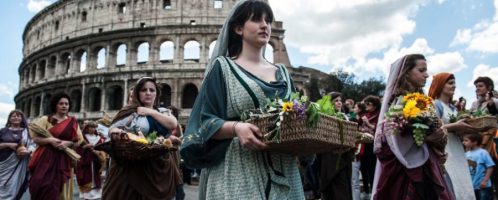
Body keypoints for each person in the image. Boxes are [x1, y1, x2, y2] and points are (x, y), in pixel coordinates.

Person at [180, 1, 304, 199]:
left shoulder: (283, 73)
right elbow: (204, 122)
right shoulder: (222, 68)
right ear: (238, 28)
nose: (265, 25)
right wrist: (237, 127)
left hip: (285, 169)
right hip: (237, 170)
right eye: (256, 19)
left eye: (268, 20)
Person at [371, 54, 454, 200]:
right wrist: (428, 138)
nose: (426, 75)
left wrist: (437, 141)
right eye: (421, 70)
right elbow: (392, 136)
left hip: (426, 161)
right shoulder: (400, 101)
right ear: (407, 73)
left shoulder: (420, 100)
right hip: (407, 168)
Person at [103, 77, 181, 200]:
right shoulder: (129, 111)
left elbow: (172, 124)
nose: (148, 93)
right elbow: (112, 129)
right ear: (138, 93)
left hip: (160, 165)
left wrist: (150, 112)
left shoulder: (163, 111)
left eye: (152, 90)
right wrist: (117, 133)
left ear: (157, 93)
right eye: (144, 90)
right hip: (135, 165)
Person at [428, 72, 477, 199]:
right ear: (440, 85)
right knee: (451, 185)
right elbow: (433, 130)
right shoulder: (435, 105)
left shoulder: (453, 108)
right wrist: (455, 126)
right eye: (450, 83)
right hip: (444, 151)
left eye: (454, 83)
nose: (454, 86)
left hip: (457, 150)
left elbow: (457, 130)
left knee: (462, 184)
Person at [28, 92, 84, 200]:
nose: (64, 106)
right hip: (45, 158)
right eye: (61, 103)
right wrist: (50, 140)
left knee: (61, 190)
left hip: (64, 159)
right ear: (55, 105)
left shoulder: (72, 122)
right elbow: (35, 138)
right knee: (41, 185)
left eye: (66, 104)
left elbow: (79, 141)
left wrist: (68, 143)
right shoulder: (45, 120)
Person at [314, 92, 354, 200]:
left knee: (345, 188)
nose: (339, 103)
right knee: (335, 190)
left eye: (340, 100)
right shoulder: (324, 118)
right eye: (336, 100)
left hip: (344, 159)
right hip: (330, 160)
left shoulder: (345, 117)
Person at [0, 110, 34, 200]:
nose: (16, 118)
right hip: (4, 164)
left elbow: (32, 145)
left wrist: (29, 151)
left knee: (15, 187)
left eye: (19, 116)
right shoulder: (3, 131)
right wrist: (8, 145)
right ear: (9, 119)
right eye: (13, 116)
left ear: (22, 119)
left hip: (20, 163)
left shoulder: (27, 132)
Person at [76, 121, 106, 200]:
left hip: (96, 161)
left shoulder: (99, 138)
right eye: (91, 127)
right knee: (86, 176)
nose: (92, 129)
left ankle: (96, 193)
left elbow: (102, 149)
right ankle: (86, 194)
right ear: (87, 128)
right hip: (86, 161)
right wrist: (85, 147)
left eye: (94, 127)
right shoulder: (82, 137)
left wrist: (97, 152)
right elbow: (77, 149)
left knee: (96, 176)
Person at [359, 95, 381, 198]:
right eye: (366, 103)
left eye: (369, 103)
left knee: (372, 169)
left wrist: (367, 123)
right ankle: (366, 192)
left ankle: (373, 192)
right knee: (363, 168)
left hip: (372, 145)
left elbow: (378, 129)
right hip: (363, 145)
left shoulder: (379, 115)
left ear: (375, 106)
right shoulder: (366, 114)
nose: (366, 105)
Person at [462, 133, 495, 200]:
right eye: (463, 140)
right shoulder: (466, 154)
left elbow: (490, 167)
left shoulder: (483, 153)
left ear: (475, 142)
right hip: (472, 186)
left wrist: (485, 181)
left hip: (483, 186)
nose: (463, 142)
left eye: (466, 140)